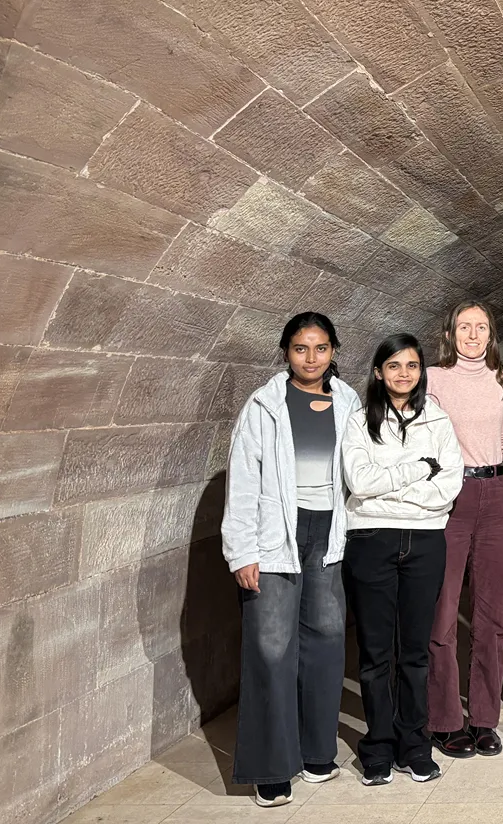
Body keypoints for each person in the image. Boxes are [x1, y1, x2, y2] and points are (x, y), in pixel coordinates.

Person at [222, 312, 362, 808]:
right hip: (273, 534)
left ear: (333, 352)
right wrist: (242, 551)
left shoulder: (348, 401)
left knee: (326, 638)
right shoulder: (263, 406)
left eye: (321, 348)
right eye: (301, 349)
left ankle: (316, 752)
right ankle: (271, 767)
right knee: (272, 647)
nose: (311, 358)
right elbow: (241, 482)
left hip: (327, 531)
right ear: (286, 352)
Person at [341, 333, 464, 787]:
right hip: (371, 538)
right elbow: (359, 479)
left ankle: (414, 743)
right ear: (378, 372)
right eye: (393, 366)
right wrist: (418, 469)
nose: (403, 374)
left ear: (421, 371)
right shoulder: (358, 423)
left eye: (411, 365)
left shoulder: (439, 421)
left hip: (426, 539)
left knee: (414, 652)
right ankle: (378, 745)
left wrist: (395, 490)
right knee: (376, 653)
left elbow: (449, 483)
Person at [426, 300, 503, 758]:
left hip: (497, 495)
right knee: (443, 614)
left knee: (492, 615)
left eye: (481, 327)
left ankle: (485, 718)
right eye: (464, 327)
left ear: (491, 334)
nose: (472, 335)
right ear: (449, 334)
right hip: (451, 497)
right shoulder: (431, 378)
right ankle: (445, 721)